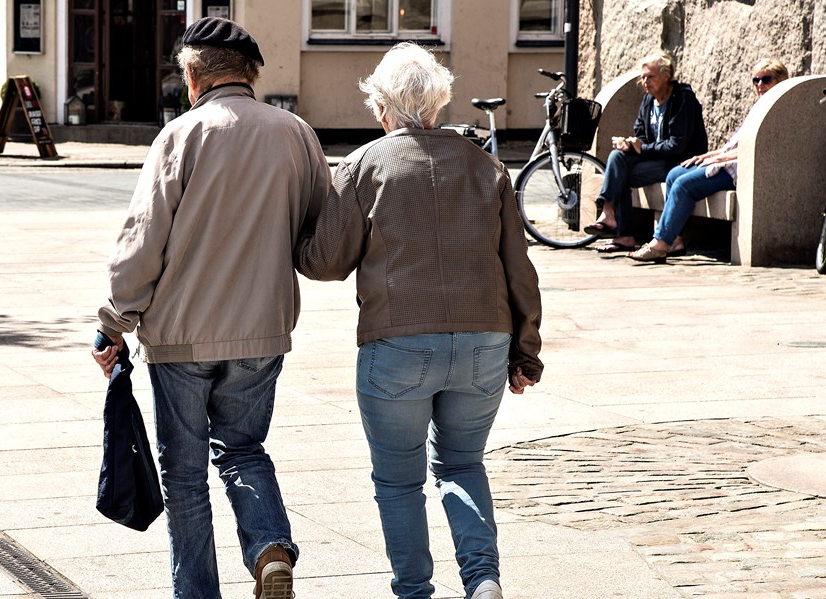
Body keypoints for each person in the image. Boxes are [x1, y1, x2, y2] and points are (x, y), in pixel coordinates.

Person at [89, 17, 329, 599]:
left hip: (182, 337)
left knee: (186, 477)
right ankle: (270, 548)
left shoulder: (181, 136)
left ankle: (197, 594)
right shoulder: (296, 133)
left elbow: (142, 242)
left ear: (192, 77)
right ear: (250, 74)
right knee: (244, 448)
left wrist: (113, 322)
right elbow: (324, 236)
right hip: (262, 333)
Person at [294, 43, 543, 599]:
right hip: (485, 339)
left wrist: (296, 231)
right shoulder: (487, 166)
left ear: (383, 106)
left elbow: (327, 263)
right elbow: (518, 267)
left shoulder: (364, 165)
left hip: (398, 342)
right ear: (437, 105)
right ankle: (482, 583)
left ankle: (414, 591)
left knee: (399, 483)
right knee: (462, 465)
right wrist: (526, 351)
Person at [628, 59, 790, 263]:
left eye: (766, 80)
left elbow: (763, 149)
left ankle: (660, 243)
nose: (759, 85)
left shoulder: (779, 110)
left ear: (781, 81)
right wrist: (710, 155)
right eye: (755, 80)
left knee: (683, 185)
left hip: (739, 169)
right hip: (726, 161)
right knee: (674, 174)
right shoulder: (759, 107)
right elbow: (733, 146)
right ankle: (675, 240)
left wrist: (724, 157)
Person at [583, 51, 709, 254]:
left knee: (620, 173)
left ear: (666, 75)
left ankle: (619, 230)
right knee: (617, 157)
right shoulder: (648, 101)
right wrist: (629, 143)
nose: (645, 82)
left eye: (650, 77)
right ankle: (610, 215)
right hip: (656, 159)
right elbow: (640, 133)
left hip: (679, 162)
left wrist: (642, 148)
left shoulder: (681, 99)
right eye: (643, 77)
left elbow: (677, 146)